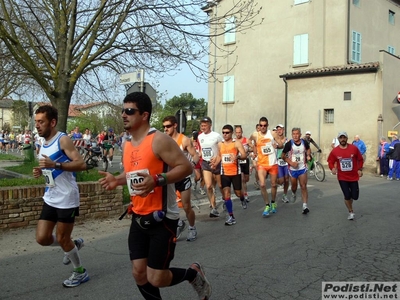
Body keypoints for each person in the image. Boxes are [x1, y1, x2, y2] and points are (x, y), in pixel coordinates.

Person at [98, 92, 211, 300]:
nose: (124, 115)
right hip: (138, 216)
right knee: (139, 273)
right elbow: (133, 173)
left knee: (156, 277)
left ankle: (193, 274)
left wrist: (157, 180)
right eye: (123, 110)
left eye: (130, 111)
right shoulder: (127, 144)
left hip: (163, 218)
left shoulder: (159, 140)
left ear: (144, 115)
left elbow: (185, 167)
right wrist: (117, 180)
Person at [32, 105, 88, 287]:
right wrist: (40, 171)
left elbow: (81, 164)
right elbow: (49, 166)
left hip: (67, 198)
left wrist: (55, 165)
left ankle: (80, 272)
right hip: (50, 197)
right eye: (36, 122)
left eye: (41, 122)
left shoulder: (62, 140)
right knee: (42, 238)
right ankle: (71, 245)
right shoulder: (42, 143)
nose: (37, 126)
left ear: (52, 122)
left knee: (63, 238)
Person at [163, 115, 200, 242]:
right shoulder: (164, 140)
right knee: (168, 207)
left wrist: (193, 165)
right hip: (170, 178)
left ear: (175, 125)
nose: (165, 129)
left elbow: (195, 155)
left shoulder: (184, 140)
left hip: (183, 177)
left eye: (168, 126)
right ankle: (179, 224)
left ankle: (192, 228)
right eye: (164, 127)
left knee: (186, 206)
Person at [249, 117, 284, 217]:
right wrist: (254, 149)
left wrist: (277, 146)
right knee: (263, 184)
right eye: (261, 125)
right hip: (262, 164)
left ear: (267, 126)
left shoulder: (272, 134)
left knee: (273, 184)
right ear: (259, 126)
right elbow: (249, 141)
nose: (263, 127)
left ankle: (273, 202)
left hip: (272, 163)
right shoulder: (255, 134)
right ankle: (267, 205)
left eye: (265, 125)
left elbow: (281, 145)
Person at [214, 125, 248, 225]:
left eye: (227, 132)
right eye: (223, 132)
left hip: (235, 173)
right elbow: (220, 156)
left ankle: (242, 198)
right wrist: (215, 163)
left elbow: (244, 155)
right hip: (224, 173)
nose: (225, 134)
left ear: (231, 133)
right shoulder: (220, 144)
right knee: (226, 194)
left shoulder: (236, 143)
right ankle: (231, 216)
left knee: (238, 193)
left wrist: (237, 157)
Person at [327, 131, 364, 220]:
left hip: (354, 176)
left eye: (344, 138)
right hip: (342, 177)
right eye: (341, 138)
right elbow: (330, 161)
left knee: (355, 197)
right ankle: (351, 212)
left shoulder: (353, 148)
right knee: (347, 195)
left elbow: (360, 159)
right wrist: (332, 168)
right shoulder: (335, 151)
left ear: (347, 138)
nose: (342, 139)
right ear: (338, 139)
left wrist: (359, 169)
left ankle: (350, 199)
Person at [281, 127, 311, 214]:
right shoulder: (289, 144)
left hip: (302, 167)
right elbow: (283, 156)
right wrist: (290, 162)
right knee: (294, 187)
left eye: (297, 134)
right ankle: (293, 193)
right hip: (293, 169)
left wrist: (308, 155)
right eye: (293, 134)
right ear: (292, 135)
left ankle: (305, 206)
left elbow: (308, 149)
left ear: (300, 135)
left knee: (303, 186)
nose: (295, 136)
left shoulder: (304, 142)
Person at [198, 116, 223, 218]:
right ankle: (213, 207)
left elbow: (222, 149)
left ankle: (225, 200)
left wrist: (218, 158)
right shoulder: (200, 137)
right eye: (202, 125)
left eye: (205, 125)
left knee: (220, 185)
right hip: (205, 163)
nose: (203, 127)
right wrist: (196, 156)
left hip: (216, 163)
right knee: (208, 186)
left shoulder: (216, 136)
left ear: (210, 125)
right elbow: (202, 150)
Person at [234, 125, 251, 202]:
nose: (238, 134)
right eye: (236, 132)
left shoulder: (246, 140)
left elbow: (253, 147)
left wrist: (251, 152)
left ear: (242, 132)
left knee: (246, 179)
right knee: (242, 178)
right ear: (234, 133)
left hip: (245, 161)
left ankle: (244, 192)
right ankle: (245, 194)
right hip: (238, 161)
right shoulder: (234, 141)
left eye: (239, 132)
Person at [275, 124, 290, 203]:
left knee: (287, 180)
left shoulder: (287, 140)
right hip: (278, 162)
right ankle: (276, 183)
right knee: (281, 181)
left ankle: (284, 195)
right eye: (278, 129)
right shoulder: (274, 140)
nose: (279, 131)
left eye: (280, 129)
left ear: (283, 130)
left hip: (286, 161)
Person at [192, 130, 206, 196]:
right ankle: (195, 182)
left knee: (204, 177)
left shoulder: (203, 142)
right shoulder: (192, 143)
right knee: (198, 176)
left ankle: (201, 188)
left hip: (203, 160)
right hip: (196, 161)